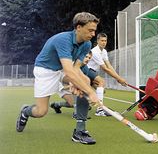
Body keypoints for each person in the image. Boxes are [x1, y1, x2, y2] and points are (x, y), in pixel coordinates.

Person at [16, 12, 101, 145]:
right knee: (41, 111)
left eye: (94, 31)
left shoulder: (87, 44)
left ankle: (80, 131)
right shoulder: (63, 40)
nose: (93, 34)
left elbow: (76, 68)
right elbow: (69, 70)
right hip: (45, 70)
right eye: (90, 30)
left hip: (62, 69)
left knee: (84, 81)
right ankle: (25, 111)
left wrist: (77, 84)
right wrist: (90, 92)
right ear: (78, 27)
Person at [50, 51, 104, 119]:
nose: (87, 59)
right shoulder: (71, 63)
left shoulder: (84, 67)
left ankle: (56, 105)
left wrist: (94, 90)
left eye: (89, 58)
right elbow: (72, 80)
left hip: (71, 84)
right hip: (60, 85)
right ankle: (76, 113)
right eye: (86, 57)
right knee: (76, 100)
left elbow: (86, 82)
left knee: (72, 103)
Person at [87, 33, 127, 116]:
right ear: (97, 41)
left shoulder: (104, 51)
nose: (104, 42)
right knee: (101, 82)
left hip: (93, 72)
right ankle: (100, 110)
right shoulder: (95, 52)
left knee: (101, 90)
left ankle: (57, 105)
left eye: (105, 41)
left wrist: (118, 78)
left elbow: (109, 66)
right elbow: (105, 69)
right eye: (102, 40)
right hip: (87, 71)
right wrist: (119, 79)